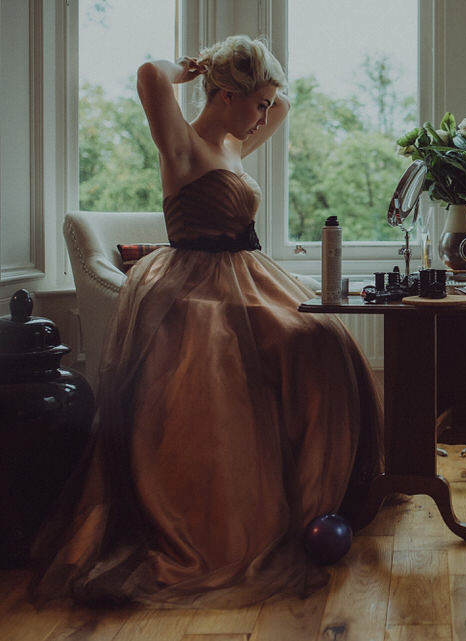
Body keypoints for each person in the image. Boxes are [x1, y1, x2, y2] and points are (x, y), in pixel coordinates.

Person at [32, 35, 383, 607]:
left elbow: (286, 104)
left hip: (248, 273)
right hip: (194, 287)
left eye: (266, 105)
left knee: (324, 334)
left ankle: (321, 495)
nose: (266, 115)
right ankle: (258, 509)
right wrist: (191, 69)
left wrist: (261, 83)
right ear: (222, 94)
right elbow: (148, 72)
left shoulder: (236, 144)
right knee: (282, 337)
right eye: (257, 104)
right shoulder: (183, 146)